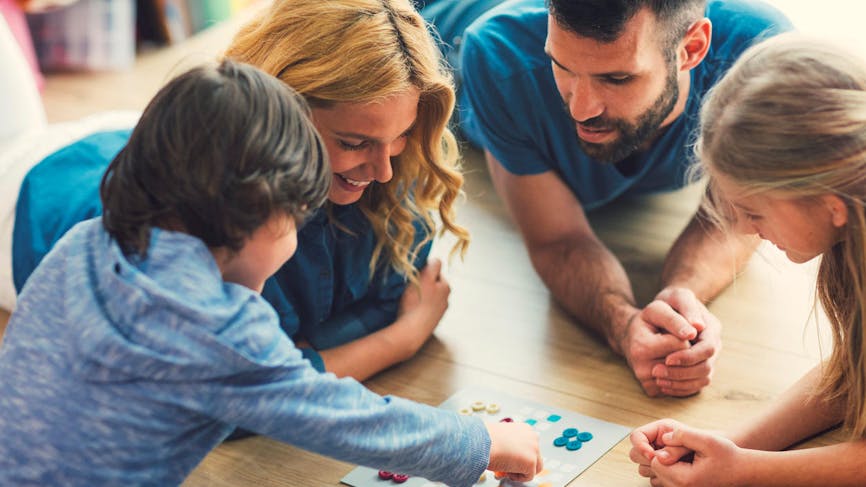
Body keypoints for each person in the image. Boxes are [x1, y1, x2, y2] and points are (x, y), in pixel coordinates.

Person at [0, 59, 542, 486]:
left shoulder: (83, 244)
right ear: (255, 214)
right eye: (295, 222)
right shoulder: (215, 329)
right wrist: (483, 443)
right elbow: (351, 421)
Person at [5, 0, 468, 384]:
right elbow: (225, 393)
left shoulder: (386, 169)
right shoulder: (197, 227)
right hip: (29, 192)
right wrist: (402, 339)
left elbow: (396, 292)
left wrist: (302, 356)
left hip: (125, 135)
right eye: (353, 143)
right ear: (274, 113)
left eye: (400, 136)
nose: (384, 171)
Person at [421, 0, 792, 397]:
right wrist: (624, 326)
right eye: (560, 66)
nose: (581, 109)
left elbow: (738, 214)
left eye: (617, 78)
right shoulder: (497, 53)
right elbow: (557, 239)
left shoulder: (760, 58)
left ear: (692, 49)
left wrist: (681, 301)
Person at [629, 33, 866, 486]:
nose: (741, 229)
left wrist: (747, 472)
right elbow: (853, 374)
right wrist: (730, 445)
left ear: (831, 205)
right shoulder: (851, 224)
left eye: (754, 212)